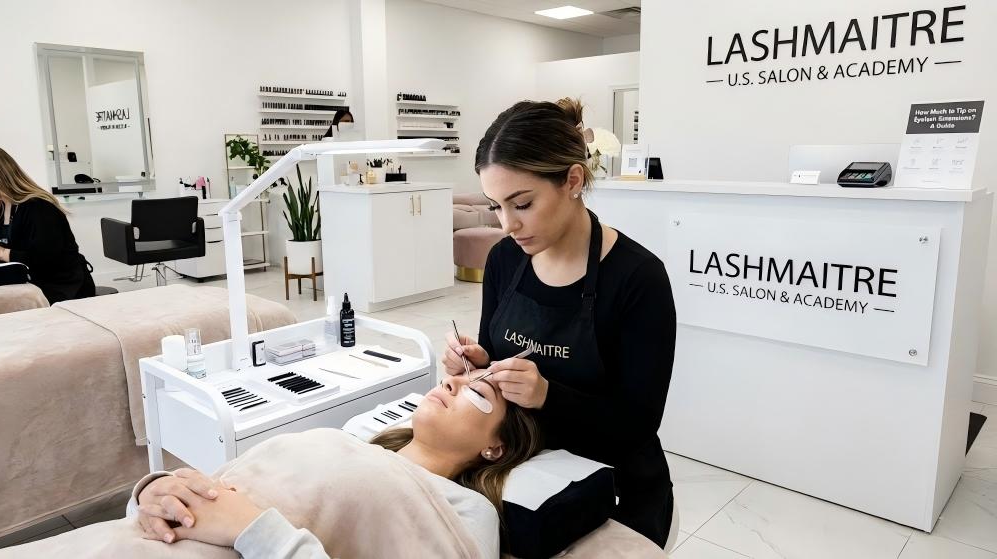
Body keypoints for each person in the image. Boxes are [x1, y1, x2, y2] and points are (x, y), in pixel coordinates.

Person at [442, 98, 677, 547]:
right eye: (495, 207)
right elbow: (497, 355)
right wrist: (479, 362)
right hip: (523, 466)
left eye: (523, 204)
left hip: (614, 485)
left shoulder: (637, 278)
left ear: (572, 180)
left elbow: (638, 424)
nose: (507, 224)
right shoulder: (505, 260)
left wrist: (547, 394)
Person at [127, 374, 541, 558]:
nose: (451, 382)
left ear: (495, 448)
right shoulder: (349, 443)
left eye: (478, 390)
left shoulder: (468, 510)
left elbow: (238, 517)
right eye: (460, 374)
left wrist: (254, 530)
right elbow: (213, 489)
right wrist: (153, 494)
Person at [0, 144, 95, 303]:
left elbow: (45, 262)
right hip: (33, 283)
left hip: (65, 289)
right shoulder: (2, 208)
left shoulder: (39, 208)